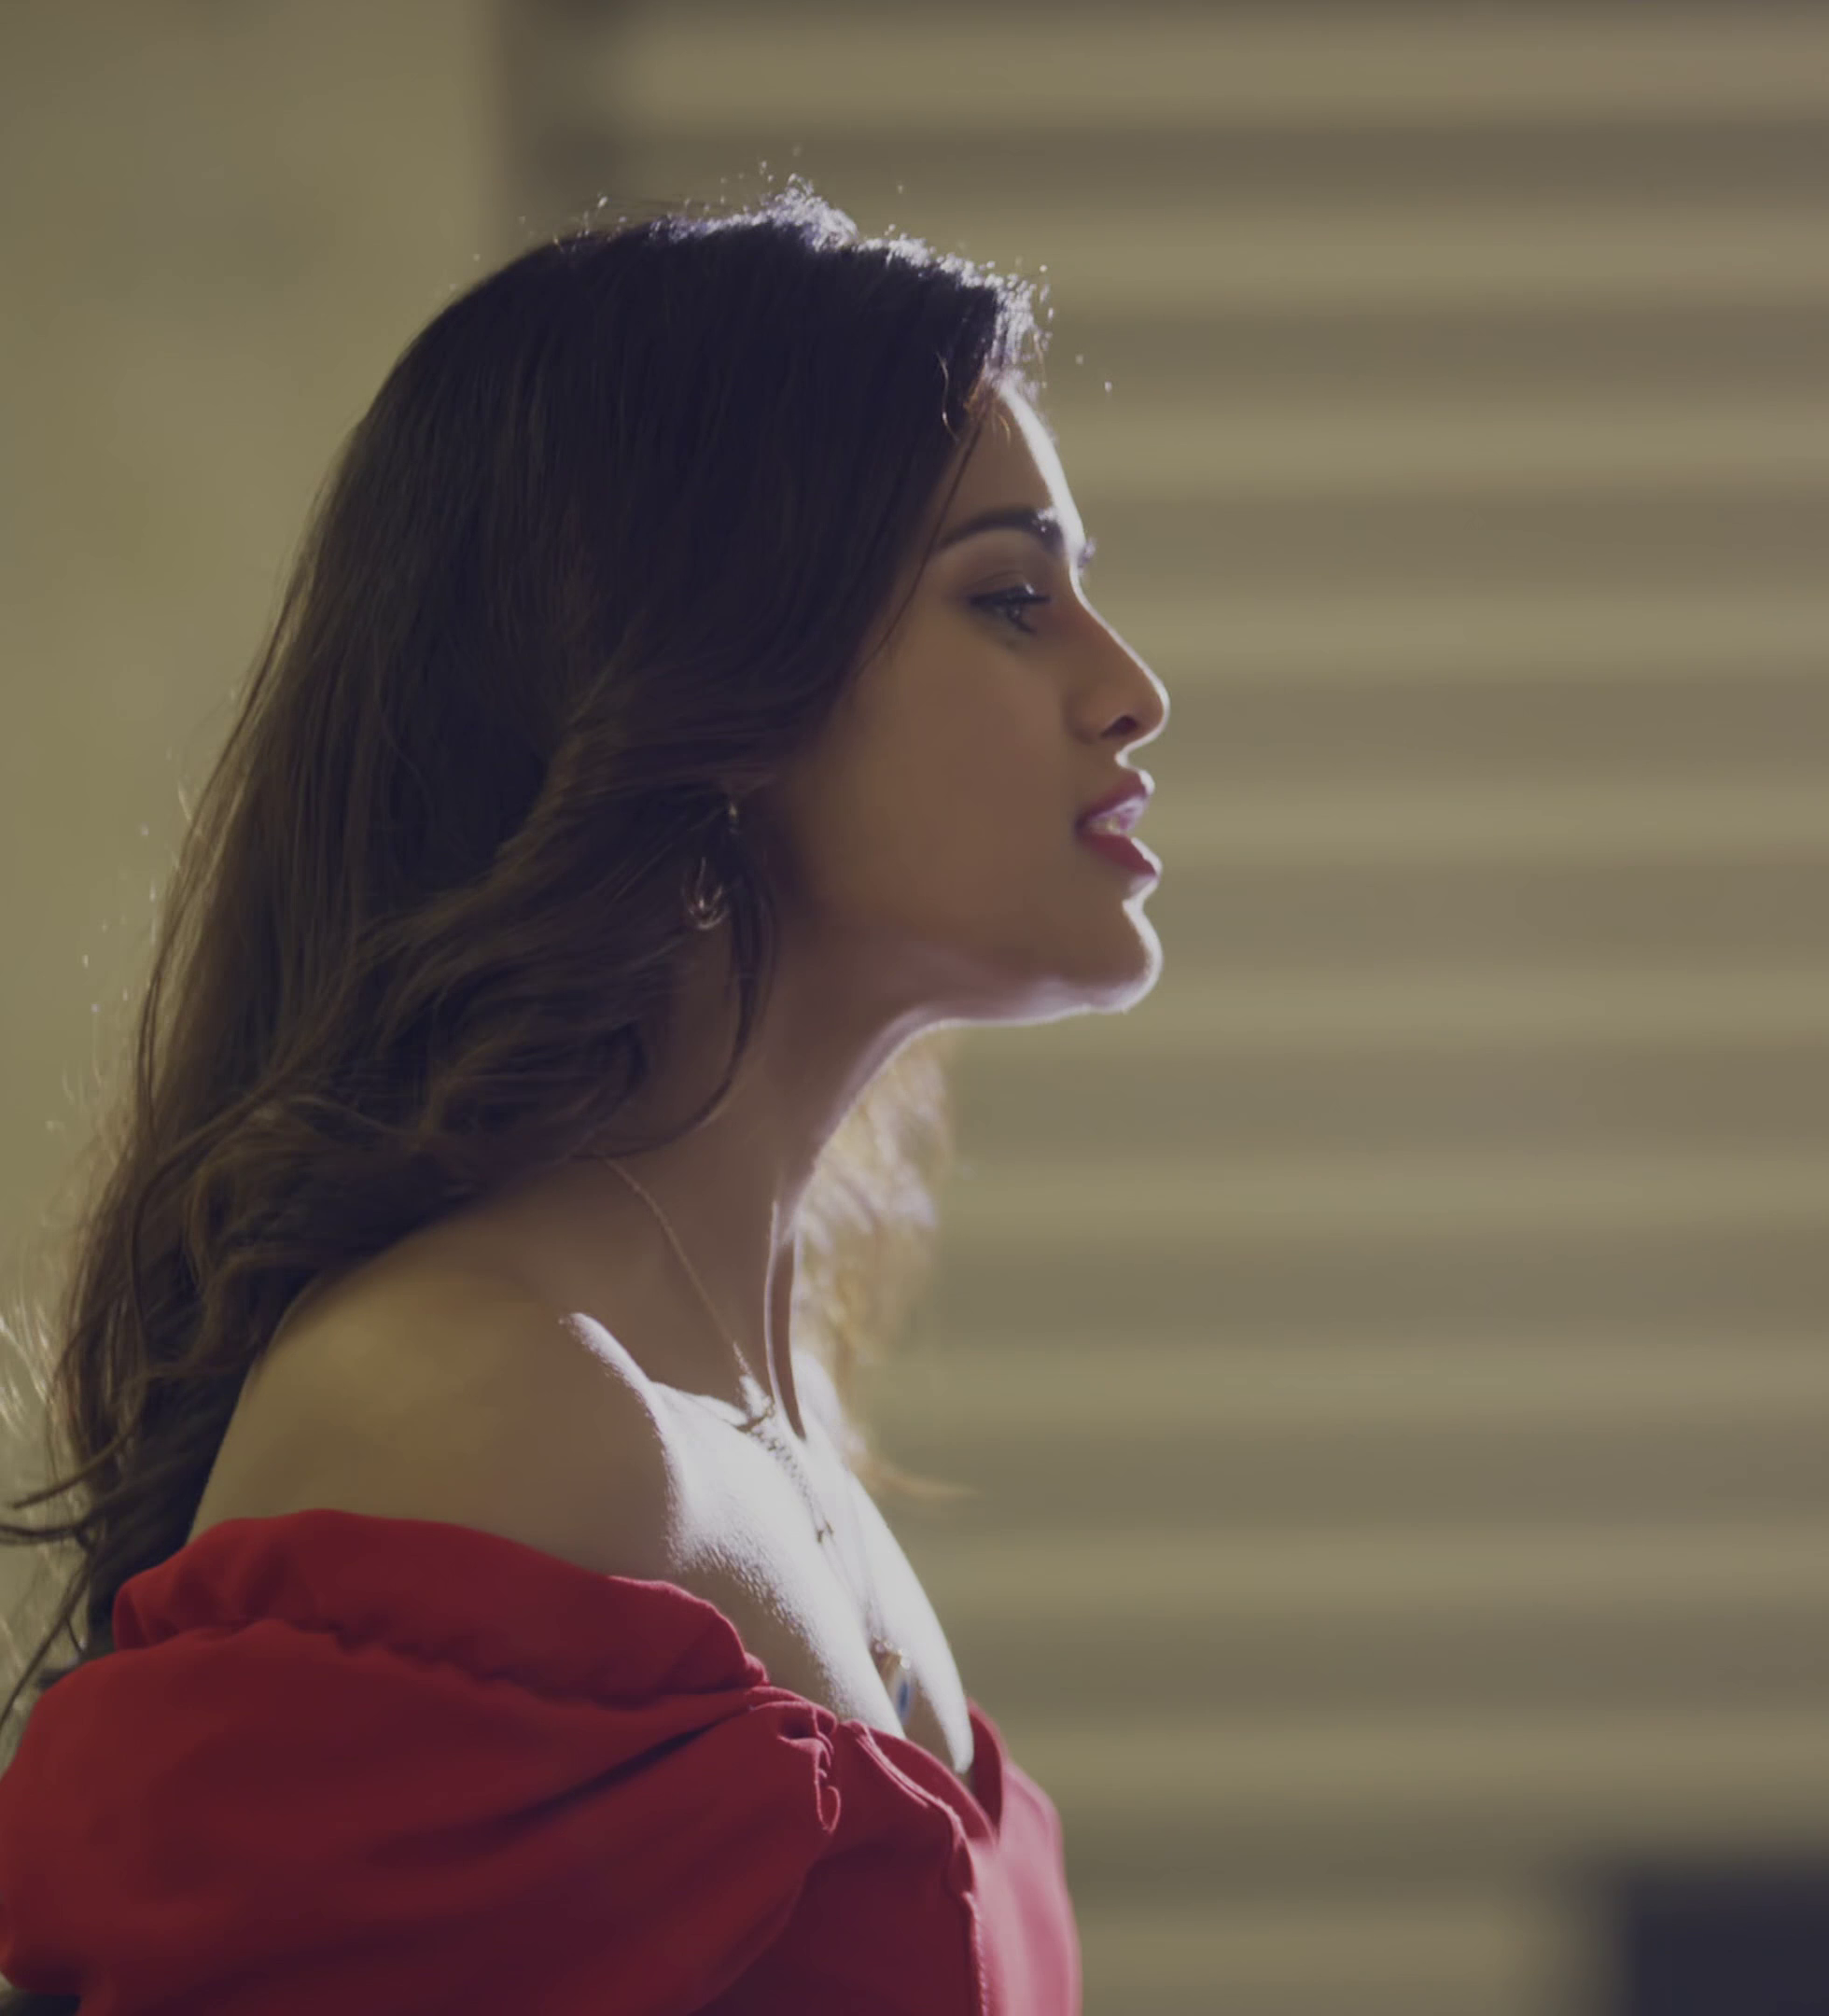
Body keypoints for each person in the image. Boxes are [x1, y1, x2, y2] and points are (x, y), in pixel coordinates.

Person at [0, 191, 1166, 2013]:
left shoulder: (760, 1419)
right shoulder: (479, 1411)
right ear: (698, 673)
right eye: (1010, 599)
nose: (1133, 690)